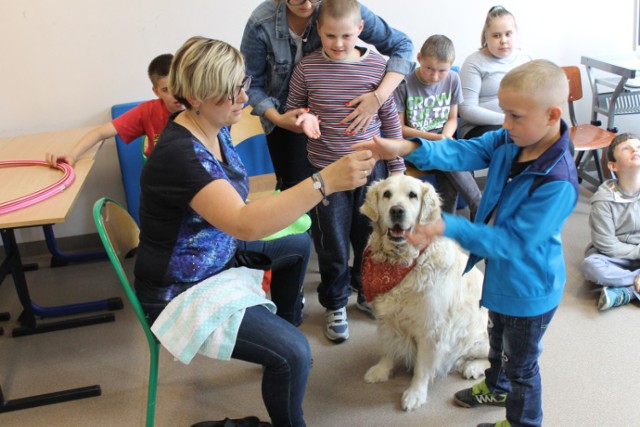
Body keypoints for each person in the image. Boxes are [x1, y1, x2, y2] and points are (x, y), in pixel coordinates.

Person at [133, 36, 375, 427]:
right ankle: (285, 363)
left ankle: (279, 334)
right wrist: (323, 182)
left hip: (214, 253)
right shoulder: (180, 154)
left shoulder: (213, 125)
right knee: (294, 352)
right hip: (179, 288)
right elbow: (244, 222)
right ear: (196, 97)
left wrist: (288, 119)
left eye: (243, 86)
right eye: (231, 94)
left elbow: (240, 207)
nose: (242, 99)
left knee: (297, 245)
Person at [354, 59, 578, 427]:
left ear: (552, 114)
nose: (504, 124)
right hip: (500, 279)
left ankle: (523, 422)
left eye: (514, 116)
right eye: (503, 113)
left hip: (530, 289)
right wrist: (407, 148)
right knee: (497, 339)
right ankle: (494, 385)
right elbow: (458, 151)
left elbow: (510, 242)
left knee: (522, 366)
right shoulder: (511, 140)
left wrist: (448, 226)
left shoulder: (558, 181)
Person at [285, 0, 405, 343]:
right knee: (332, 242)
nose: (338, 43)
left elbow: (390, 119)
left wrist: (396, 168)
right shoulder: (307, 68)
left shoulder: (379, 66)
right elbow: (293, 108)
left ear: (361, 30)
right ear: (317, 31)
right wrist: (303, 117)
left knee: (368, 237)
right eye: (330, 36)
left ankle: (367, 292)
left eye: (347, 36)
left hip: (372, 172)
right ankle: (335, 302)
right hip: (327, 173)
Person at [240, 0, 414, 191]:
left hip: (341, 131)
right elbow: (251, 82)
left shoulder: (343, 8)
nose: (307, 4)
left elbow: (403, 45)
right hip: (286, 115)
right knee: (297, 189)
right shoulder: (261, 21)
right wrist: (280, 119)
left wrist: (378, 97)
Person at [394, 34, 481, 218]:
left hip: (443, 140)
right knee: (448, 158)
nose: (434, 76)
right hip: (415, 143)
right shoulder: (404, 82)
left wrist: (446, 137)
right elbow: (400, 128)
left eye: (442, 71)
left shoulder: (453, 79)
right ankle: (478, 206)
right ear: (419, 58)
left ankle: (446, 222)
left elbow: (452, 118)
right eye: (429, 68)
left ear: (451, 66)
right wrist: (438, 139)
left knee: (447, 174)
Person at [46, 54, 184, 167]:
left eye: (177, 85)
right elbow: (100, 132)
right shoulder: (147, 111)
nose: (175, 95)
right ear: (156, 92)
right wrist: (72, 154)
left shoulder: (199, 107)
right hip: (162, 177)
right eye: (166, 90)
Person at [580, 133, 640, 311]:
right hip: (614, 258)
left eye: (638, 147)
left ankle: (627, 292)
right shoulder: (603, 201)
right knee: (591, 267)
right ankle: (634, 282)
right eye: (626, 148)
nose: (634, 150)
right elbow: (607, 244)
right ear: (613, 166)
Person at [458, 5, 531, 140]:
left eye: (508, 34)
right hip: (478, 128)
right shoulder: (474, 62)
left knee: (558, 138)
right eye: (496, 35)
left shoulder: (525, 60)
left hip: (519, 125)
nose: (503, 40)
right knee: (513, 139)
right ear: (486, 36)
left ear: (516, 33)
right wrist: (508, 119)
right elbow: (466, 110)